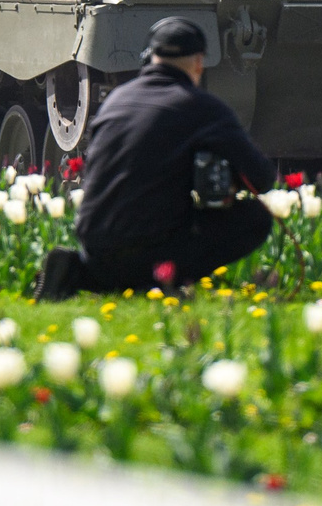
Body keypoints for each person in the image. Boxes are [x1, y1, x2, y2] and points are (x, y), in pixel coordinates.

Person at [42, 17, 275, 297]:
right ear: (199, 63)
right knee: (254, 219)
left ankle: (79, 271)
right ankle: (168, 280)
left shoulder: (116, 100)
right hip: (153, 248)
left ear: (149, 58)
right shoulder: (202, 107)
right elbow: (261, 178)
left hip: (96, 245)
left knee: (123, 256)